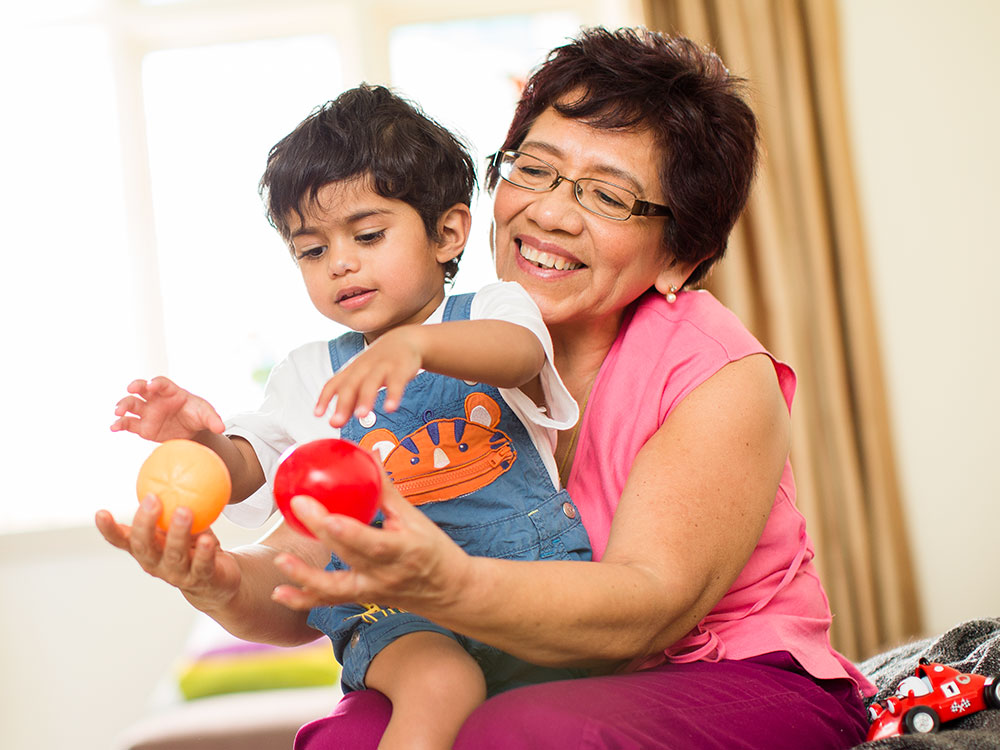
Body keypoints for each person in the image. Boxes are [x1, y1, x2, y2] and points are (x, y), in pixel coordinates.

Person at [99, 27, 876, 749]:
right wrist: (219, 582)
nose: (549, 212)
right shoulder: (381, 364)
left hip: (721, 677)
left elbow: (648, 612)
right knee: (344, 735)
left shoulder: (714, 372)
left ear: (682, 253)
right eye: (534, 170)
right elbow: (307, 566)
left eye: (605, 194)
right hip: (518, 664)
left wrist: (449, 580)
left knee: (517, 732)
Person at [103, 84, 590, 750]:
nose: (340, 263)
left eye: (367, 234)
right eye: (311, 250)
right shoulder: (309, 371)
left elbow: (519, 356)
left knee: (584, 693)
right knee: (440, 684)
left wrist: (415, 345)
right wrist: (202, 438)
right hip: (397, 608)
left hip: (526, 579)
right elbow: (255, 466)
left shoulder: (492, 311)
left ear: (448, 233)